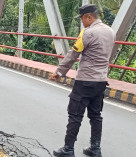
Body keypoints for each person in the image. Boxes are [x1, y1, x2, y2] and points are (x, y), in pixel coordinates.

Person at [50, 4, 115, 157]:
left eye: (82, 19)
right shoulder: (110, 31)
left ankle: (68, 149)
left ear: (89, 17)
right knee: (96, 115)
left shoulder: (87, 33)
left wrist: (59, 72)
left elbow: (73, 55)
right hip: (100, 82)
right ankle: (95, 148)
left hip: (85, 81)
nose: (82, 22)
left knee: (75, 114)